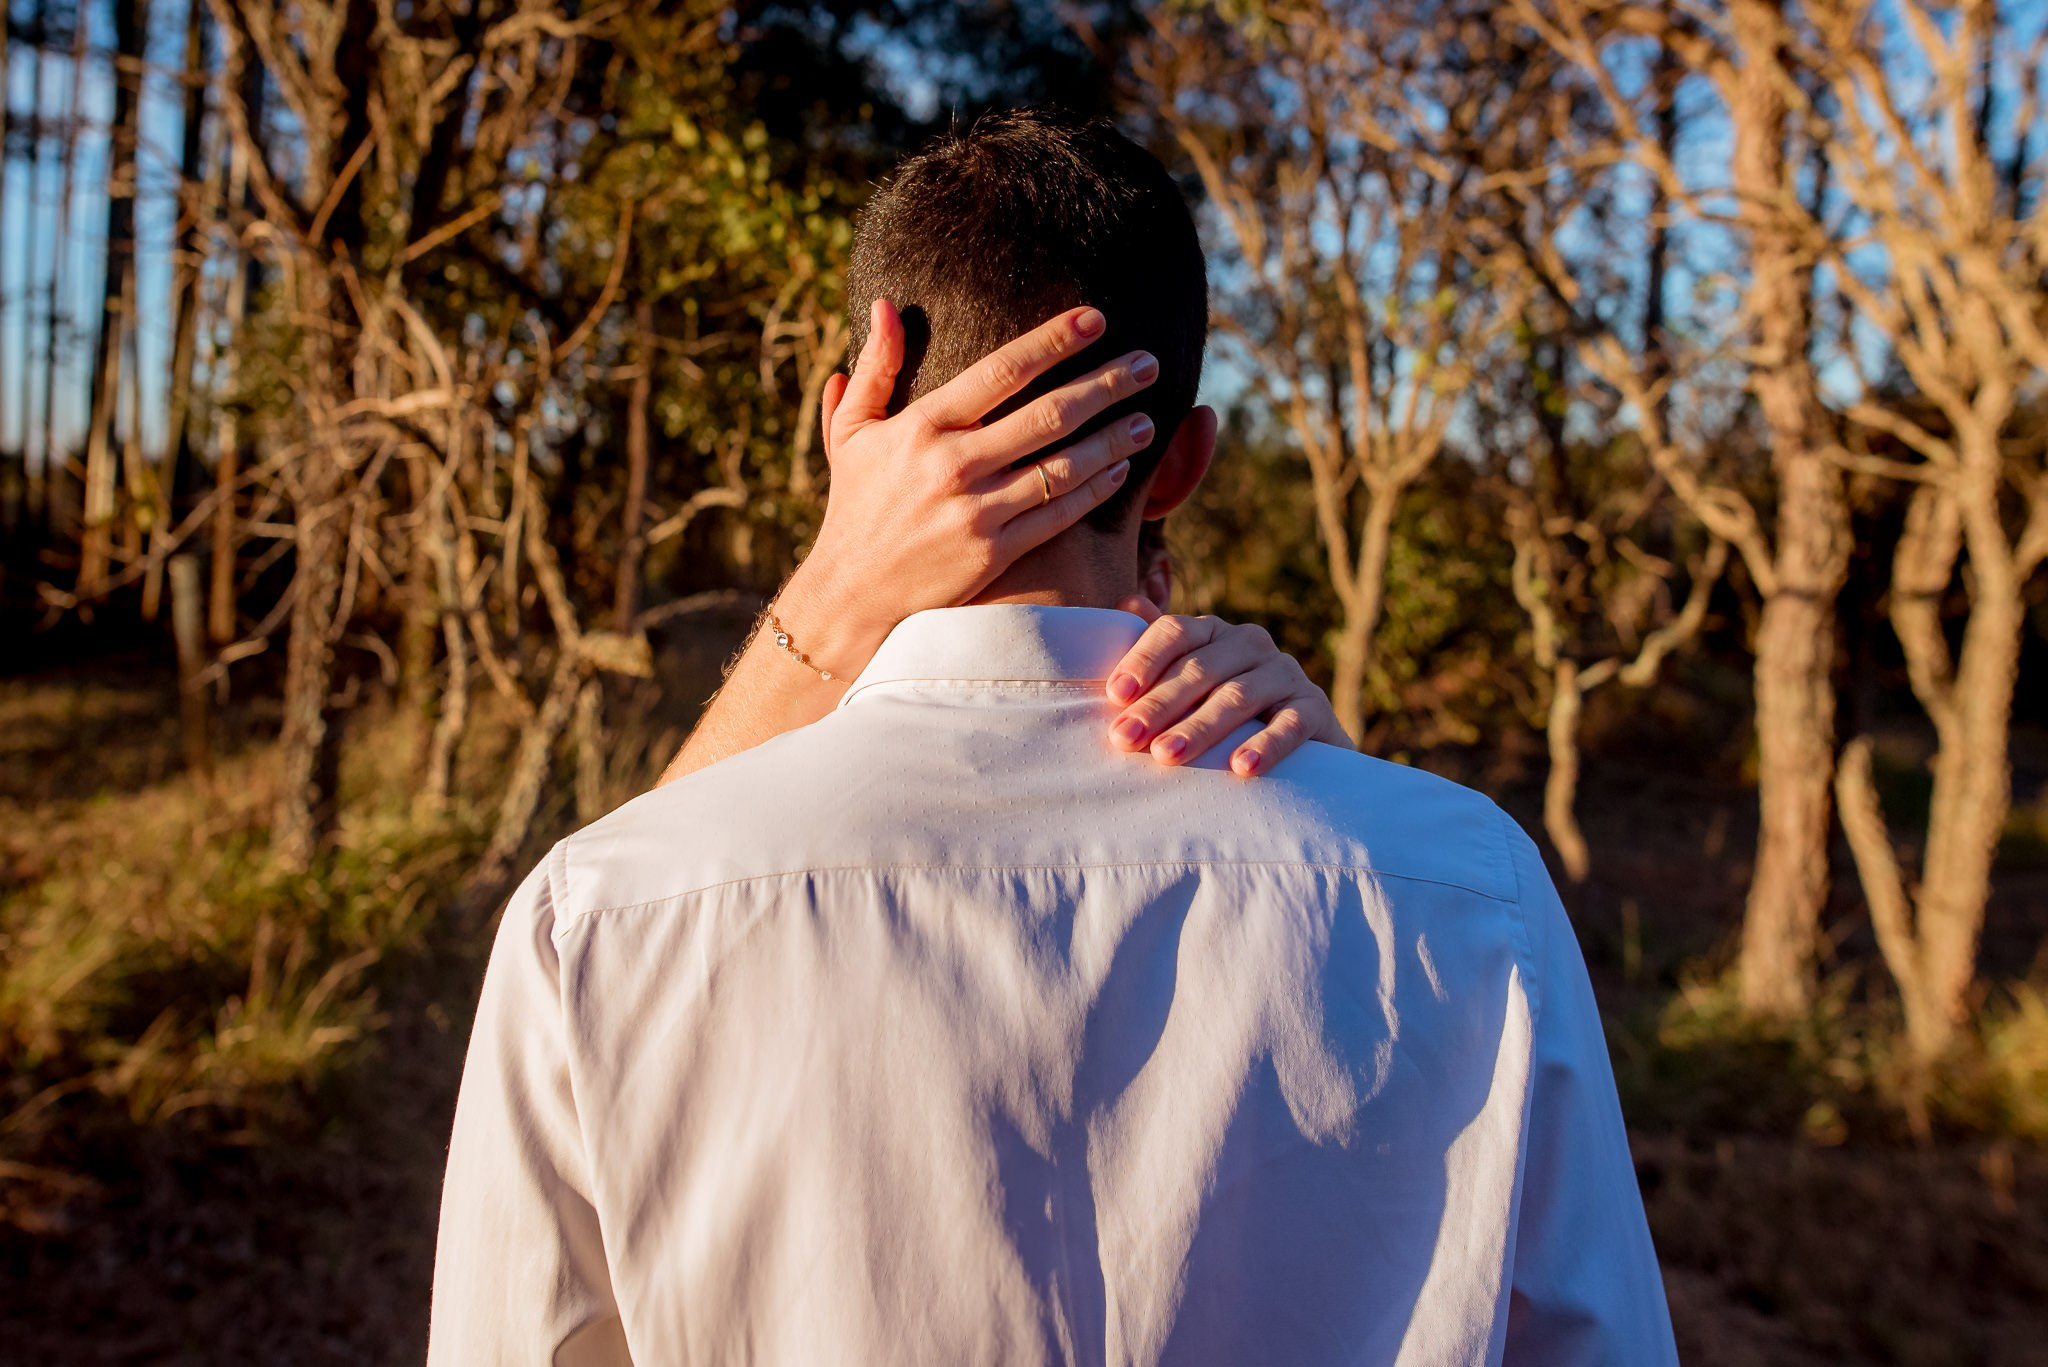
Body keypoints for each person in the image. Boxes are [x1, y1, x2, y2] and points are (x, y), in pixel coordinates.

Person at [428, 108, 1677, 1366]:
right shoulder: (1472, 889)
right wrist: (1354, 819)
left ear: (842, 428)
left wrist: (828, 591)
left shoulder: (596, 920)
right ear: (1184, 459)